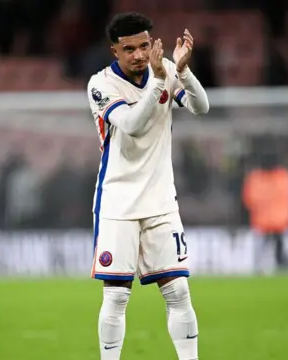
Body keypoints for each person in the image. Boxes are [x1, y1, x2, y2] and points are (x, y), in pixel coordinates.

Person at [86, 12, 210, 360]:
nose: (139, 54)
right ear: (115, 51)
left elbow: (202, 106)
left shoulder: (167, 70)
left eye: (144, 45)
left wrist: (182, 70)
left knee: (179, 292)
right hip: (118, 202)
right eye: (130, 49)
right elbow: (131, 124)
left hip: (161, 201)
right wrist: (158, 81)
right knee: (116, 296)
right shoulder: (101, 84)